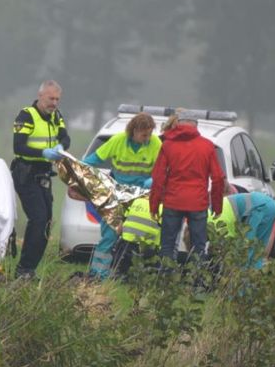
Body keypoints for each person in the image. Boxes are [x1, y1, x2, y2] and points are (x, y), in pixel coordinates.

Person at [80, 112, 161, 279]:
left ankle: (136, 276)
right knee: (109, 235)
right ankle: (97, 275)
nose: (147, 138)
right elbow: (90, 162)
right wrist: (80, 176)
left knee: (142, 238)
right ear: (134, 131)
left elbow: (164, 169)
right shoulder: (118, 141)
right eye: (144, 134)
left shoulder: (155, 144)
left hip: (141, 199)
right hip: (117, 195)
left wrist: (153, 180)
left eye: (150, 133)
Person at [148, 109, 225, 265]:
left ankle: (165, 280)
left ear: (178, 125)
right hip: (198, 203)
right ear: (196, 126)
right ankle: (197, 284)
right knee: (199, 247)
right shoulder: (207, 146)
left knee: (167, 246)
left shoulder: (168, 145)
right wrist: (217, 206)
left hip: (173, 202)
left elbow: (158, 178)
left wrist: (154, 205)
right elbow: (218, 178)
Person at [11, 80, 70, 279]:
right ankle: (23, 269)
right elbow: (18, 147)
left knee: (46, 222)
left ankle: (30, 268)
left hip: (44, 174)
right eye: (50, 98)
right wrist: (44, 153)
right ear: (40, 96)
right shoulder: (27, 115)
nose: (54, 103)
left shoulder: (56, 116)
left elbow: (65, 137)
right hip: (26, 173)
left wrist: (61, 147)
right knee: (37, 219)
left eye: (57, 99)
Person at [210, 185, 275, 269]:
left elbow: (228, 246)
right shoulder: (213, 212)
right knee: (258, 249)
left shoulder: (216, 222)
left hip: (259, 208)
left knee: (246, 247)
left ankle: (243, 278)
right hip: (271, 206)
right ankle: (255, 275)